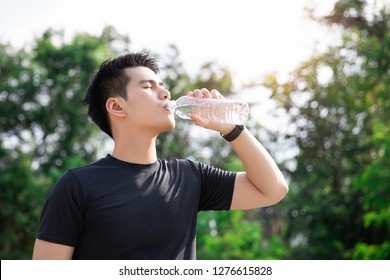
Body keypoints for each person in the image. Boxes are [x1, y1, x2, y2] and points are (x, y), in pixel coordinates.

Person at [32, 51, 288, 260]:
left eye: (163, 86)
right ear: (116, 106)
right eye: (148, 86)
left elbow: (272, 190)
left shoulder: (189, 176)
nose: (165, 93)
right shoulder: (77, 186)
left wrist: (231, 129)